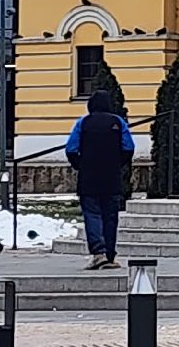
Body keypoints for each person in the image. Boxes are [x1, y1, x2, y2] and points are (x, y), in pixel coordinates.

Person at [66, 88, 136, 270]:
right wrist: (117, 164)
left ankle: (98, 253)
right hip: (111, 177)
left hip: (88, 177)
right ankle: (110, 256)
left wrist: (81, 165)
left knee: (92, 214)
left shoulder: (83, 123)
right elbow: (129, 147)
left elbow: (71, 149)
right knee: (110, 217)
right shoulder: (118, 122)